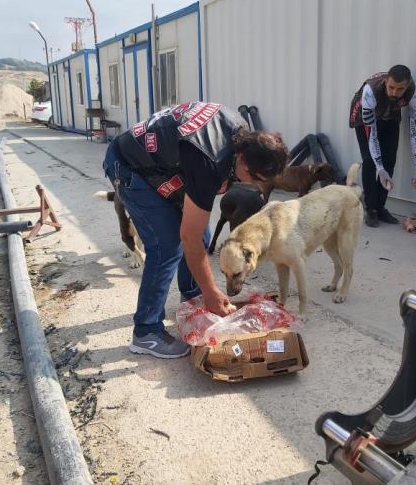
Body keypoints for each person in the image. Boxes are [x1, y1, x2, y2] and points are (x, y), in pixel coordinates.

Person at [102, 102, 288, 359]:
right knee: (167, 246)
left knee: (203, 236)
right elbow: (187, 238)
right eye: (253, 176)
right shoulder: (210, 160)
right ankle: (146, 332)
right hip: (130, 166)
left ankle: (192, 297)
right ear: (242, 158)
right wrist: (212, 290)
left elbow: (196, 232)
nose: (254, 185)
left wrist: (205, 289)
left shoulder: (241, 134)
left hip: (163, 162)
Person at [349, 65, 416, 227]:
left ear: (408, 84)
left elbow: (415, 130)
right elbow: (372, 137)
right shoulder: (370, 92)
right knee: (370, 160)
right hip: (365, 115)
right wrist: (379, 168)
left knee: (390, 159)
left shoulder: (415, 93)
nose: (394, 92)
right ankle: (371, 209)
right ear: (385, 82)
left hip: (390, 113)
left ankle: (380, 207)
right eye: (391, 87)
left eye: (400, 89)